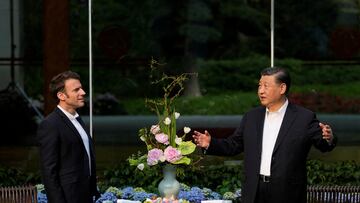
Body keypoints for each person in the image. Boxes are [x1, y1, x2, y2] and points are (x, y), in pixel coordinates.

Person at [193, 67, 337, 203]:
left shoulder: (303, 117)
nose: (261, 91)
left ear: (282, 88)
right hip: (255, 190)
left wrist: (328, 138)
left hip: (287, 192)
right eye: (259, 86)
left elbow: (323, 144)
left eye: (266, 86)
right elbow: (234, 145)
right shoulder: (252, 117)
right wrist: (211, 144)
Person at [37, 71, 100, 203]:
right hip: (68, 197)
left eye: (81, 88)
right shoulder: (50, 125)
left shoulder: (78, 120)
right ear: (61, 95)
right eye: (76, 90)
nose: (82, 92)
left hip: (86, 195)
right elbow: (49, 172)